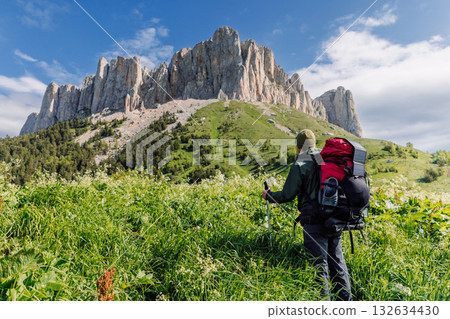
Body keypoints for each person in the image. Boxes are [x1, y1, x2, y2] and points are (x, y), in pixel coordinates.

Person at [262, 129, 352, 301]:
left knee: (320, 268)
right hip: (335, 218)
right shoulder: (327, 158)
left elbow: (288, 194)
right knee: (338, 265)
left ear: (298, 147)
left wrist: (269, 196)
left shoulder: (301, 163)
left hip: (314, 221)